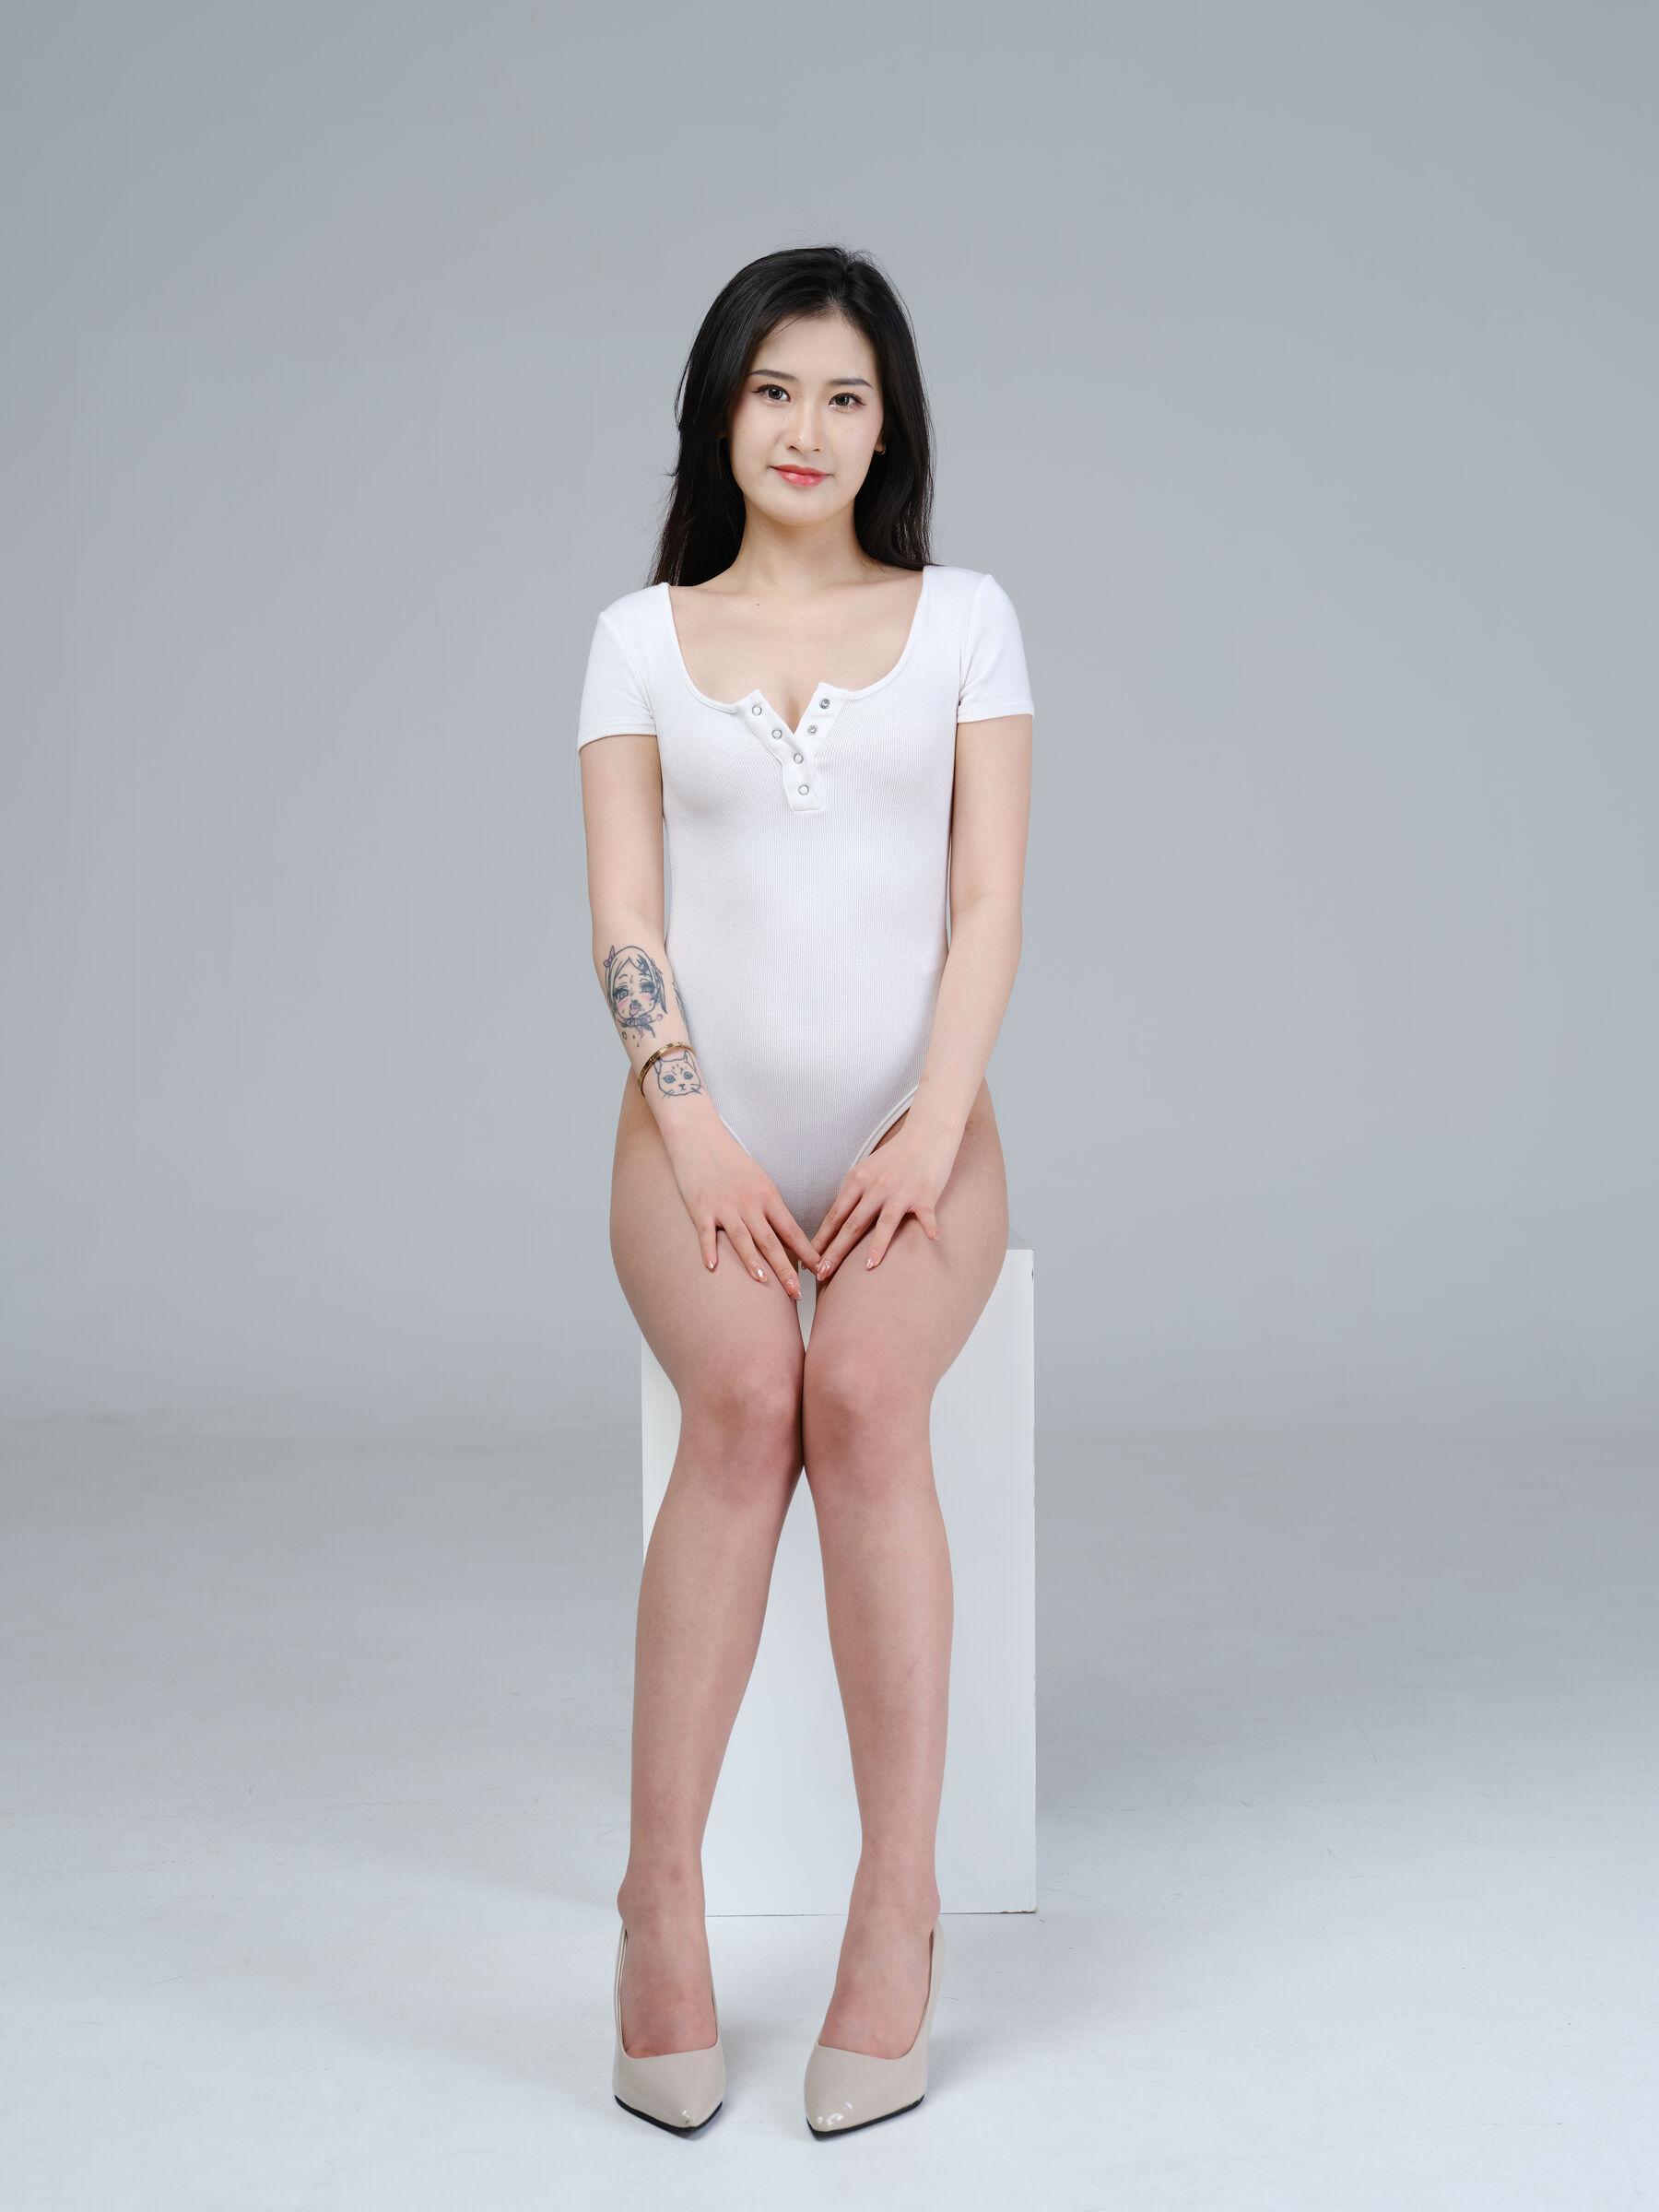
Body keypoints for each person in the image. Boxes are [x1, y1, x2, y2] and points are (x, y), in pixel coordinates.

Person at [576, 243, 1035, 2136]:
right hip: (695, 1132)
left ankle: (895, 1903)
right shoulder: (636, 638)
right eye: (776, 389)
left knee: (860, 1394)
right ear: (722, 409)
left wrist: (931, 1127)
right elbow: (625, 922)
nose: (808, 427)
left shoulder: (967, 622)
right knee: (745, 1401)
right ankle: (659, 1900)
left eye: (847, 396)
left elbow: (989, 904)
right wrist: (693, 1126)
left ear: (888, 428)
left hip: (922, 1134)